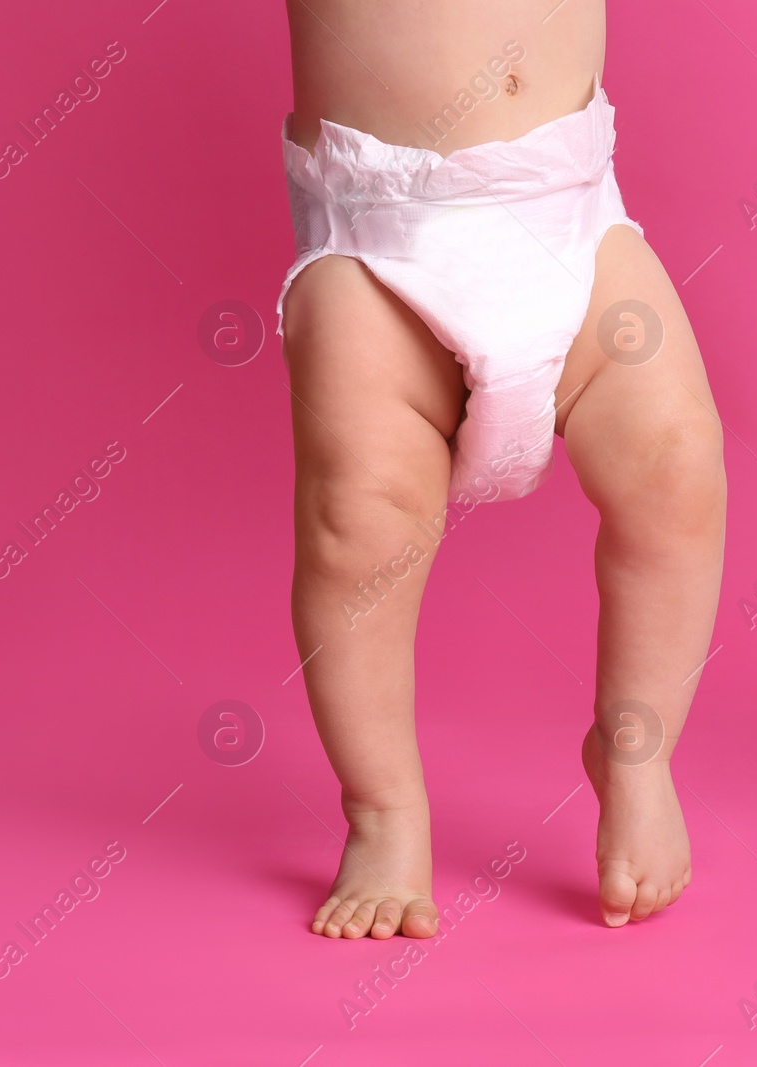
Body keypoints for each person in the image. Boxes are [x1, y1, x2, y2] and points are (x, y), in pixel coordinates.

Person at [277, 0, 726, 937]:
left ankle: (635, 752)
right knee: (359, 528)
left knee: (678, 471)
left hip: (568, 216)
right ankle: (384, 807)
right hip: (385, 242)